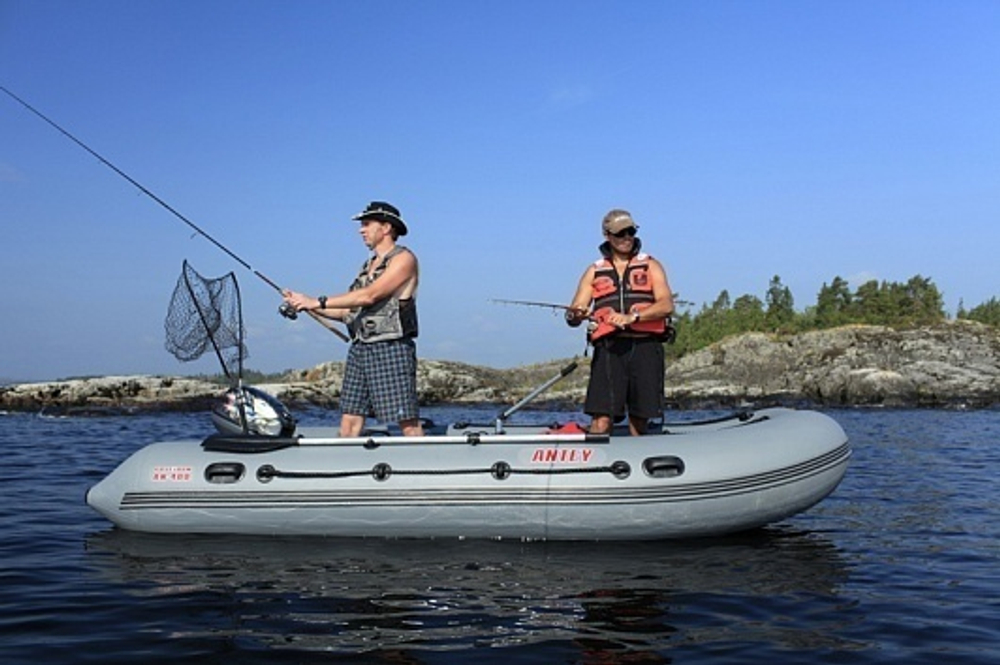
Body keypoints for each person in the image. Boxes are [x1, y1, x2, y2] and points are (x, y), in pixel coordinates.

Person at [282, 201, 424, 437]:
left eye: (367, 224)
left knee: (406, 421)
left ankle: (424, 469)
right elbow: (346, 312)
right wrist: (305, 304)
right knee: (349, 419)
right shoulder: (367, 266)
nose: (361, 230)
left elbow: (370, 295)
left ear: (386, 228)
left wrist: (317, 301)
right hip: (360, 349)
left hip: (391, 347)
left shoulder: (404, 259)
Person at [565, 209, 675, 436]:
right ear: (607, 235)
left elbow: (666, 305)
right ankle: (595, 463)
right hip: (610, 350)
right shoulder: (594, 271)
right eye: (620, 233)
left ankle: (639, 460)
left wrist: (632, 317)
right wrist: (575, 314)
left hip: (646, 348)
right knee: (602, 420)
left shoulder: (651, 265)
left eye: (631, 232)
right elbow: (574, 315)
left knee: (639, 420)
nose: (627, 237)